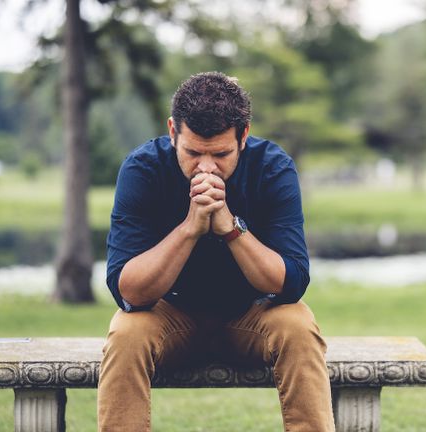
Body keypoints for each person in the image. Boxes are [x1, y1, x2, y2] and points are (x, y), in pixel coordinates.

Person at [98, 72, 334, 431]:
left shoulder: (272, 167)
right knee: (126, 332)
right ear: (173, 132)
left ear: (244, 136)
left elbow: (291, 283)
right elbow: (127, 290)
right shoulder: (143, 168)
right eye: (193, 152)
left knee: (299, 324)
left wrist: (231, 228)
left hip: (251, 315)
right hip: (170, 315)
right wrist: (190, 229)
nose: (206, 167)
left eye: (221, 154)